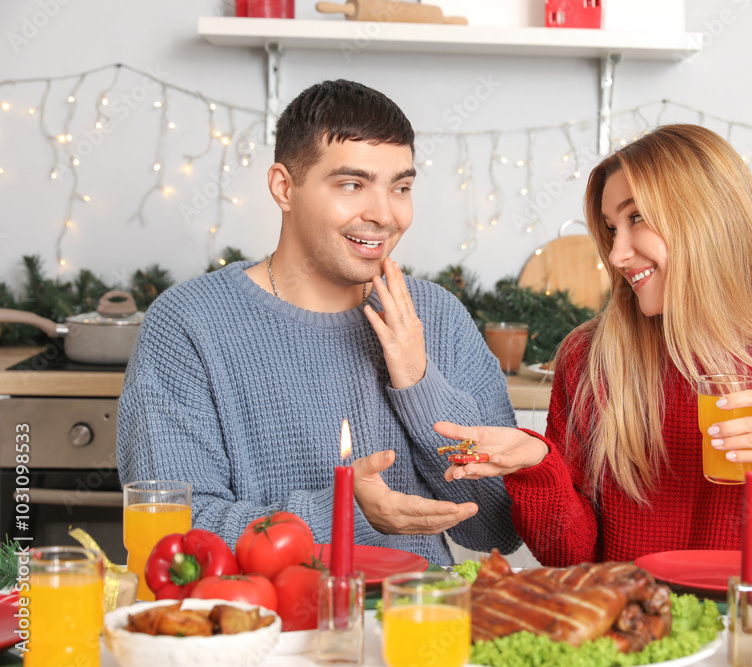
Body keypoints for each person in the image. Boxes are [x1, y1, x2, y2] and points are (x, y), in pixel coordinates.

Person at [434, 124, 752, 567]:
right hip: (636, 636)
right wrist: (538, 466)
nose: (616, 254)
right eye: (612, 228)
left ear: (709, 221)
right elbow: (572, 557)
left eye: (637, 218)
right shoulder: (591, 358)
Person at [117, 79, 521, 565]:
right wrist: (342, 513)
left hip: (411, 627)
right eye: (352, 184)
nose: (384, 214)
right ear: (284, 188)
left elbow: (498, 526)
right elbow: (170, 535)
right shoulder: (188, 324)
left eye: (401, 187)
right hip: (258, 631)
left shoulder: (438, 316)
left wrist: (418, 383)